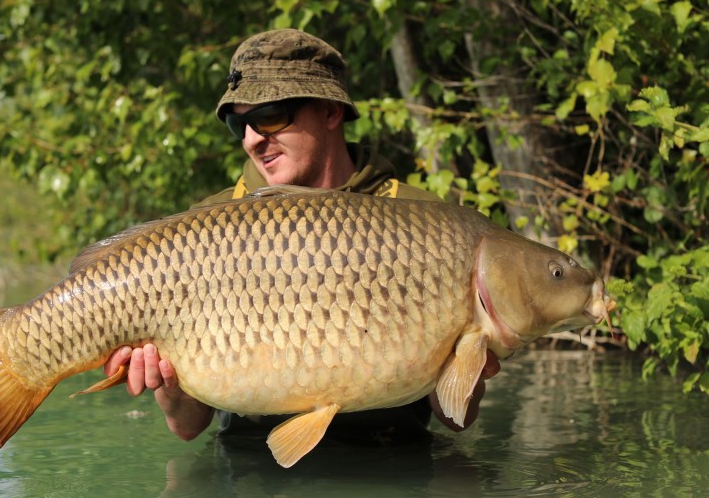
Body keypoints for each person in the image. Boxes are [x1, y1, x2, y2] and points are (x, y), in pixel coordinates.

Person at [104, 29, 500, 446]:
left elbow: (457, 420)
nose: (253, 138)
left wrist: (473, 358)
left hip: (392, 464)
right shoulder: (209, 230)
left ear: (330, 112)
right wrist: (166, 385)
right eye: (240, 123)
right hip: (249, 478)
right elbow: (187, 427)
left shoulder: (424, 221)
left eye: (270, 115)